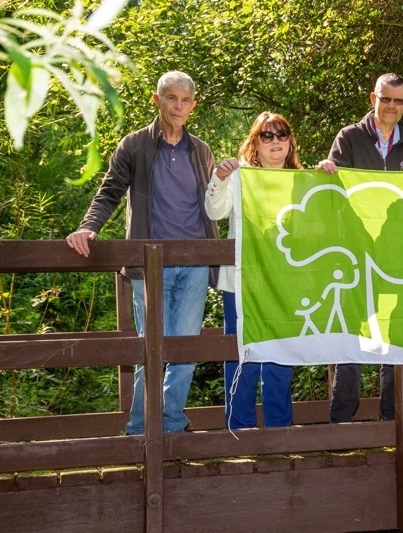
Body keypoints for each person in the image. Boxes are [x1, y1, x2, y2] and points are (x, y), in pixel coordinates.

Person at [66, 71, 218, 434]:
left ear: (192, 106)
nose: (178, 106)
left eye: (185, 100)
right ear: (158, 100)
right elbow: (110, 191)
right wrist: (90, 226)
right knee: (147, 351)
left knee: (184, 353)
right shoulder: (134, 145)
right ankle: (139, 431)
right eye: (171, 98)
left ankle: (171, 426)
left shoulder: (202, 151)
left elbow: (215, 203)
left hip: (195, 262)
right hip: (150, 265)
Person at [317, 73, 403, 422]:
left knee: (398, 333)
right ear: (372, 98)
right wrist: (326, 171)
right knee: (351, 335)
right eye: (385, 99)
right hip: (356, 253)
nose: (391, 106)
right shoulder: (349, 137)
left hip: (400, 254)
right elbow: (332, 192)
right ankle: (342, 421)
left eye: (398, 101)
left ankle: (393, 419)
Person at [204, 111, 309, 429]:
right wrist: (219, 178)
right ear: (256, 142)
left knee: (281, 359)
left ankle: (280, 433)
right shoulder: (240, 176)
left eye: (282, 134)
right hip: (241, 283)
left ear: (290, 143)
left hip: (285, 285)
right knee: (241, 359)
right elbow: (215, 209)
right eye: (267, 135)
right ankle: (240, 433)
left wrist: (330, 177)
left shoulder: (303, 182)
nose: (275, 141)